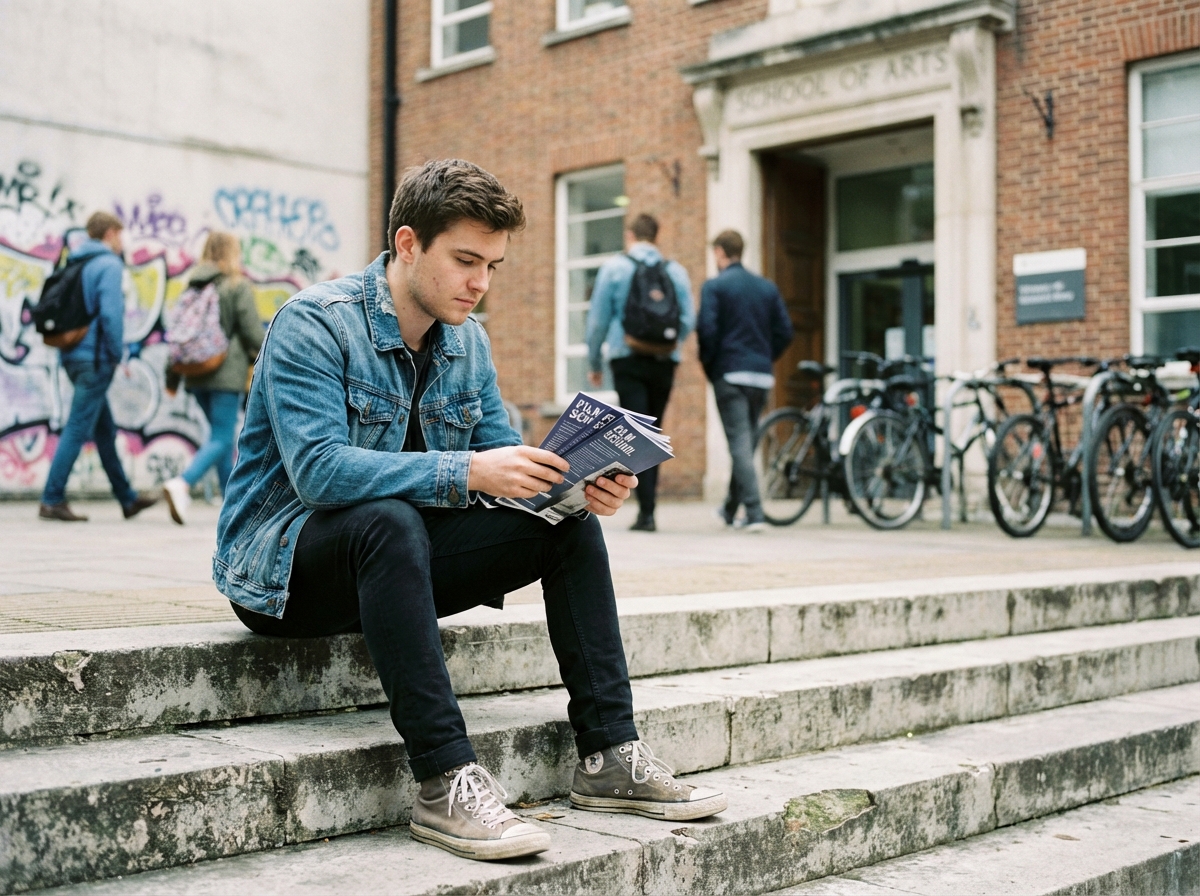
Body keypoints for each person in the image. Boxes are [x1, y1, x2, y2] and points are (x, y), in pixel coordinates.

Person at [213, 160, 725, 862]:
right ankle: (445, 781)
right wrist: (468, 470)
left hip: (399, 569)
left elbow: (499, 464)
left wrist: (574, 486)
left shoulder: (468, 342)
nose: (480, 282)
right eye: (464, 260)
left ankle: (610, 754)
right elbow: (320, 473)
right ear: (408, 243)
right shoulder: (316, 323)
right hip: (285, 574)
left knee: (568, 528)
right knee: (387, 520)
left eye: (492, 265)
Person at [39, 212, 159, 522]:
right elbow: (110, 314)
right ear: (110, 234)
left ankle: (127, 499)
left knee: (103, 429)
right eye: (120, 234)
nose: (122, 241)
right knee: (78, 426)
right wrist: (118, 354)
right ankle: (51, 499)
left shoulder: (76, 260)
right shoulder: (108, 264)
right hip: (95, 359)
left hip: (72, 354)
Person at [585, 213, 695, 532]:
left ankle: (643, 512)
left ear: (631, 235)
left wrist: (595, 363)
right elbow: (688, 319)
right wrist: (670, 345)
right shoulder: (675, 271)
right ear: (656, 237)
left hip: (627, 359)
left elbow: (598, 321)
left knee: (635, 433)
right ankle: (649, 510)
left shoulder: (615, 267)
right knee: (654, 431)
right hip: (663, 361)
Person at [161, 232, 263, 525]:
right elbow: (252, 333)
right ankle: (182, 483)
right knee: (221, 437)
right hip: (225, 374)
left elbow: (178, 335)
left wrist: (172, 377)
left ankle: (233, 502)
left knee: (221, 437)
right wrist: (270, 355)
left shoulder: (193, 286)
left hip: (195, 373)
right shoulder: (236, 285)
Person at [697, 229, 794, 532]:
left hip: (730, 374)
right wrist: (764, 357)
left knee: (740, 446)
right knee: (746, 445)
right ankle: (729, 509)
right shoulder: (766, 287)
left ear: (719, 252)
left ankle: (754, 513)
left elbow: (706, 331)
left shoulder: (715, 286)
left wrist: (712, 367)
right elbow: (785, 331)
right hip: (760, 376)